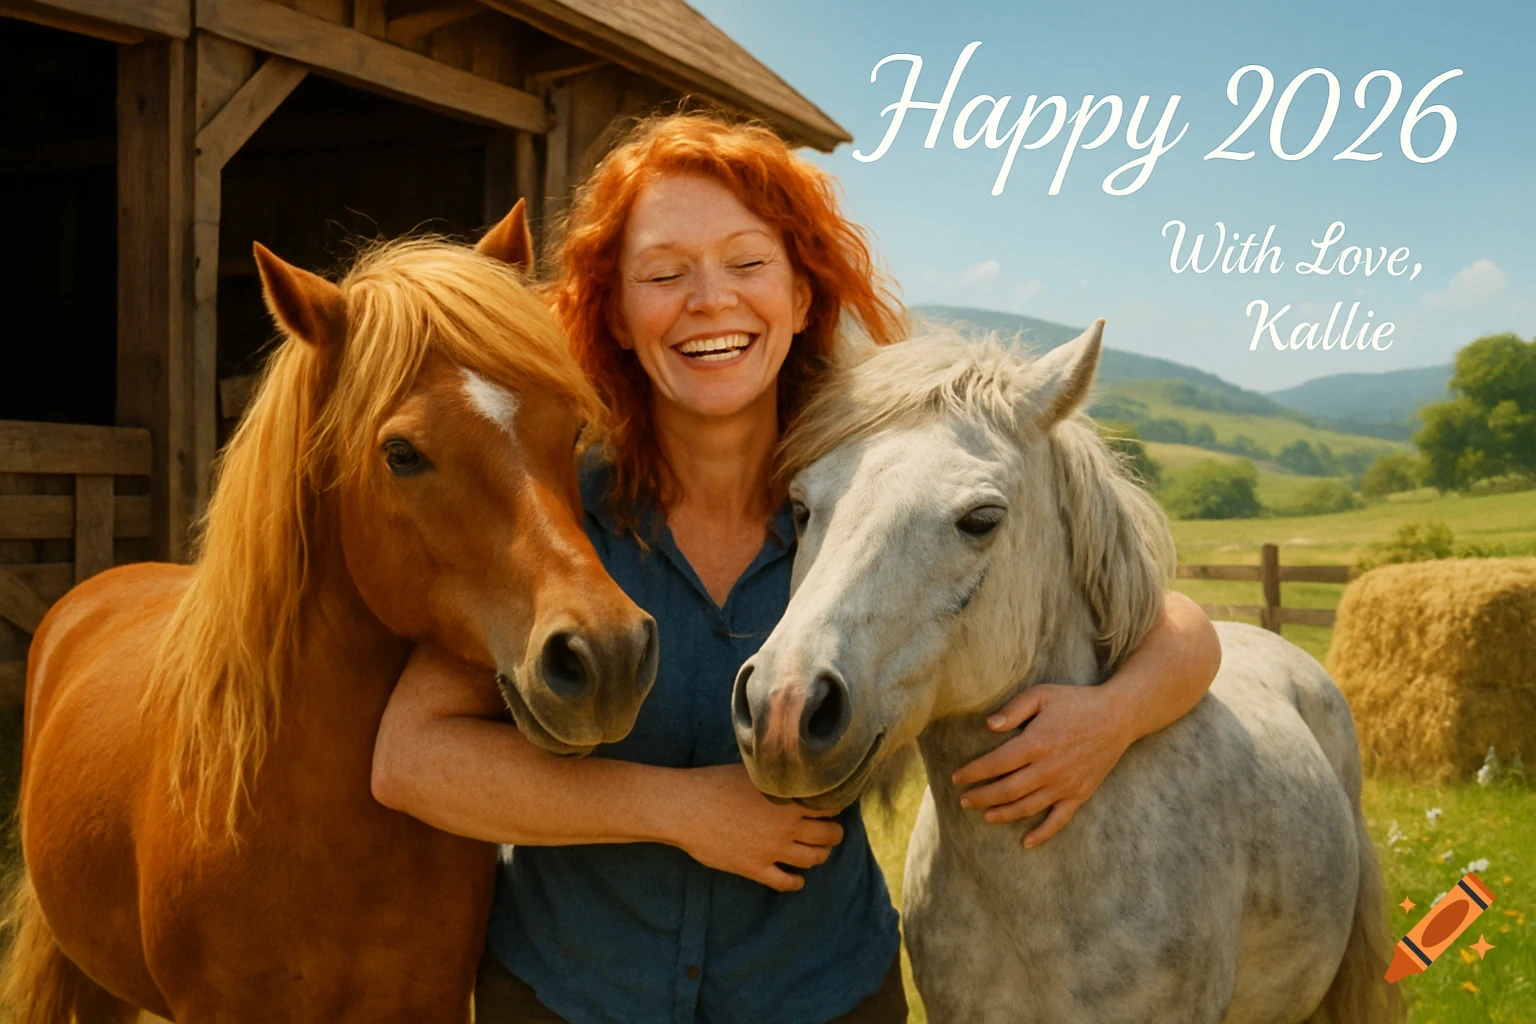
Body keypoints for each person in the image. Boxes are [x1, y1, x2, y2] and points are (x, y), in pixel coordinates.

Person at [370, 112, 1223, 1024]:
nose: (710, 301)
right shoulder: (563, 515)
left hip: (815, 993)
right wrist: (683, 811)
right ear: (615, 313)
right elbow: (412, 759)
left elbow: (1179, 628)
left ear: (804, 296)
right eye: (663, 274)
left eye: (748, 264)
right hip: (569, 996)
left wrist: (1110, 715)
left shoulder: (882, 493)